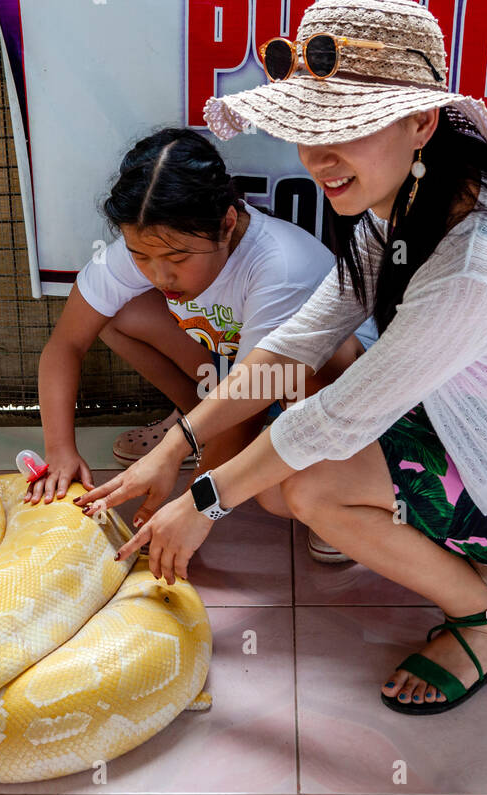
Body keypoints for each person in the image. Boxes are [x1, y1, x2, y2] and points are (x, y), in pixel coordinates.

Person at [76, 0, 487, 716]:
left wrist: (204, 499)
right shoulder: (410, 201)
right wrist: (181, 443)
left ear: (420, 121)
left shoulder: (476, 264)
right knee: (298, 475)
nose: (318, 156)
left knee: (313, 491)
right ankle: (468, 540)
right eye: (307, 129)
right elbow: (299, 343)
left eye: (347, 128)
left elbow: (336, 419)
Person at [28, 126, 376, 556]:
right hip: (240, 379)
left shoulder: (280, 266)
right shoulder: (143, 245)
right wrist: (59, 450)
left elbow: (251, 398)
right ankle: (197, 426)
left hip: (329, 391)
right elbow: (66, 343)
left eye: (177, 258)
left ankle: (338, 489)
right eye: (142, 256)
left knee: (305, 390)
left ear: (228, 224)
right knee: (115, 315)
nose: (159, 275)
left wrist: (191, 506)